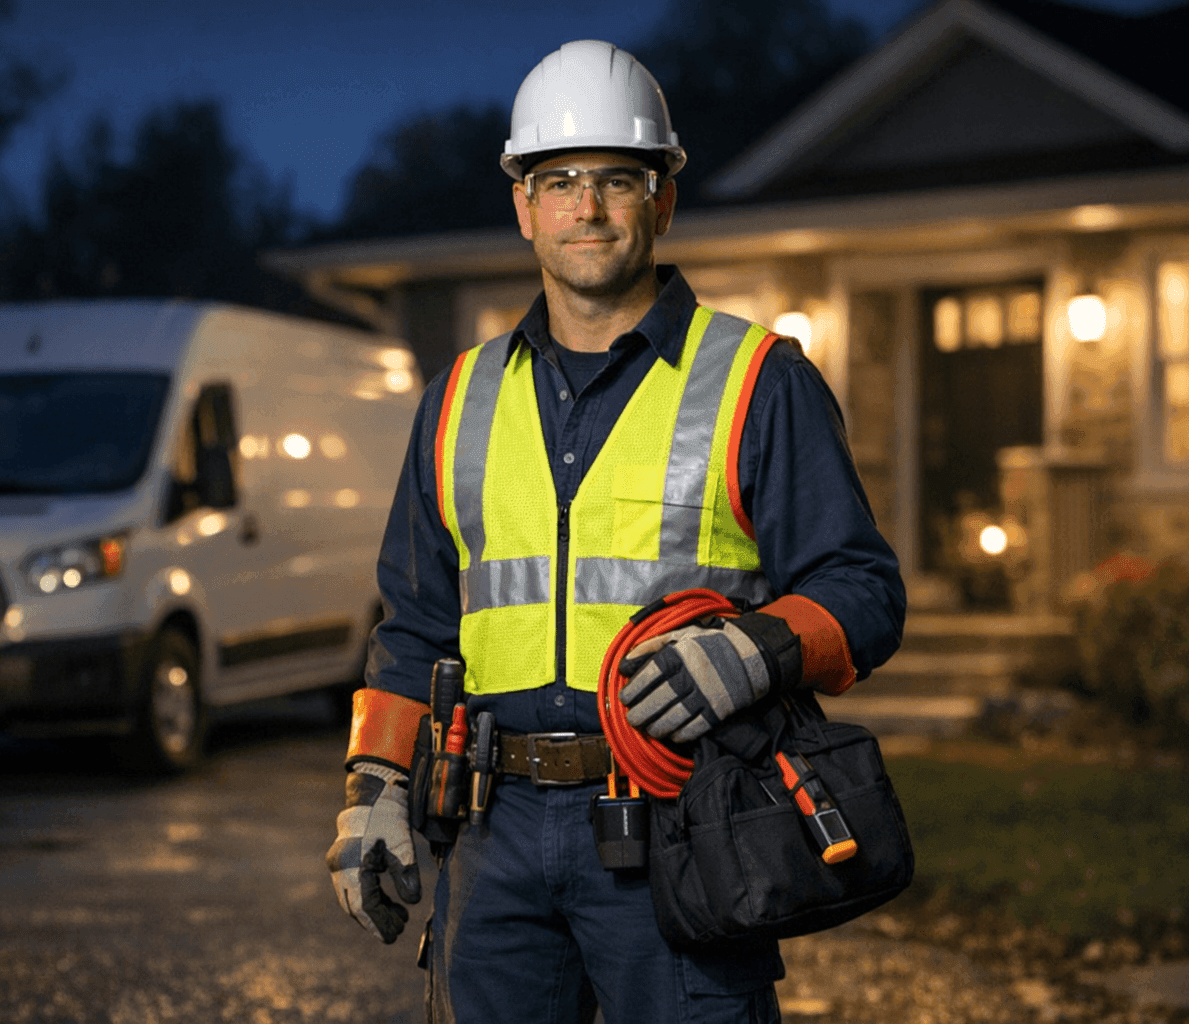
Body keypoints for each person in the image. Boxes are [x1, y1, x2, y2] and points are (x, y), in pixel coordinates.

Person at [327, 38, 905, 1024]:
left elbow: (863, 589)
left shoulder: (760, 380)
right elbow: (416, 625)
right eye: (558, 182)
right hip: (491, 825)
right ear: (523, 207)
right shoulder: (456, 400)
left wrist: (759, 649)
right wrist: (374, 787)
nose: (586, 209)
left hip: (681, 816)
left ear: (662, 199)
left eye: (617, 181)